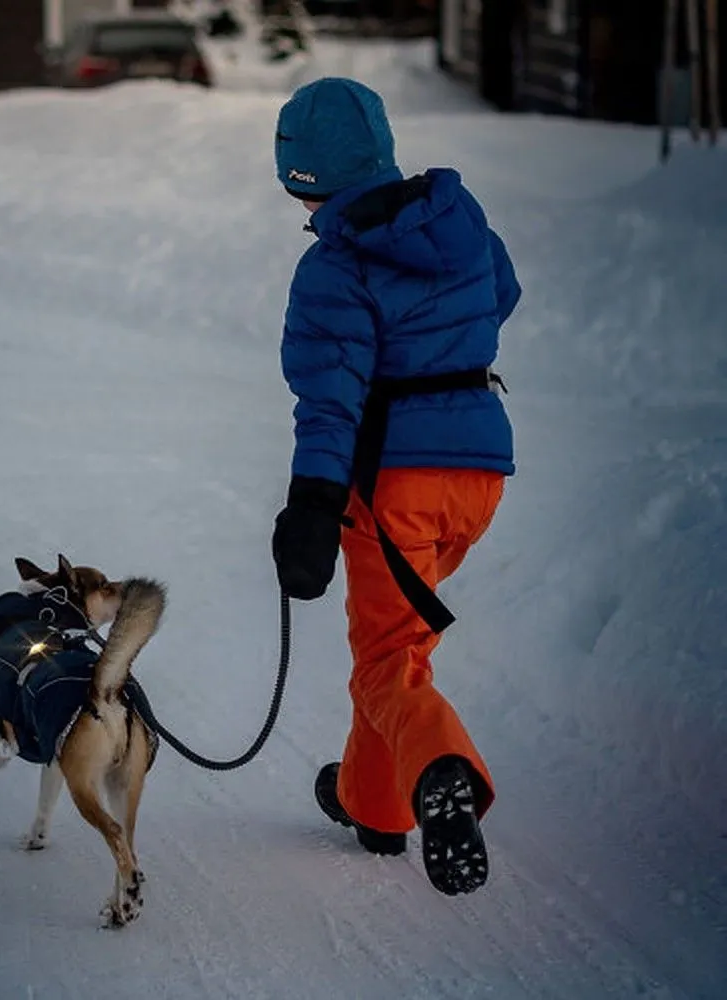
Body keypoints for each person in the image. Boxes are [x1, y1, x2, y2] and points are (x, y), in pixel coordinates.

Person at [270, 77, 520, 896]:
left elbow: (331, 401)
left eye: (299, 195)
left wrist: (311, 504)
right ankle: (373, 805)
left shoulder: (333, 269)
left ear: (311, 185)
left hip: (395, 485)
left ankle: (444, 770)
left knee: (386, 661)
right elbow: (503, 293)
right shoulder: (461, 221)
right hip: (479, 475)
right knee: (395, 644)